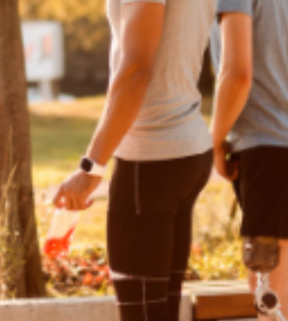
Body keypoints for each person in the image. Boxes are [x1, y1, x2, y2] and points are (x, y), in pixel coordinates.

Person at [52, 0, 215, 320]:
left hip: (153, 159)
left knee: (142, 313)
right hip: (187, 150)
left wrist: (91, 167)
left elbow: (136, 69)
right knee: (161, 311)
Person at [210, 0, 288, 320]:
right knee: (273, 279)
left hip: (266, 145)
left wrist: (214, 143)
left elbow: (237, 74)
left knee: (265, 281)